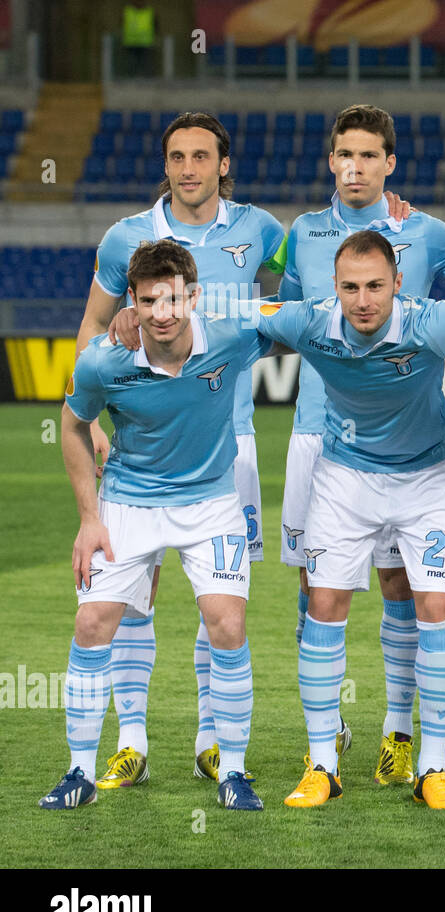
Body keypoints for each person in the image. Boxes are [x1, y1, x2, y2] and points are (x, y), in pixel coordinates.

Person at [241, 231, 445, 810]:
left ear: (398, 284)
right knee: (324, 606)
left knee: (436, 609)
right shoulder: (309, 320)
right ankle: (322, 766)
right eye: (350, 287)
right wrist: (152, 312)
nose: (363, 300)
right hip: (344, 479)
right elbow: (235, 314)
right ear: (335, 287)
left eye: (376, 285)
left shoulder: (430, 320)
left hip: (428, 481)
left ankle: (433, 767)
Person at [77, 111, 284, 789]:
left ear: (224, 164)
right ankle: (131, 740)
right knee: (134, 595)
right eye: (176, 156)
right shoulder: (126, 238)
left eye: (201, 156)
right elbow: (93, 325)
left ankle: (210, 739)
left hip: (231, 446)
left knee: (218, 601)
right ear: (164, 164)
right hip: (140, 446)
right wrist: (98, 418)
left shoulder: (262, 232)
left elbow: (307, 281)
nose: (188, 168)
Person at [42, 239, 278, 812]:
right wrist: (88, 519)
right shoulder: (103, 359)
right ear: (134, 301)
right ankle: (79, 771)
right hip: (128, 502)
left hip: (212, 503)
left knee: (226, 624)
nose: (163, 313)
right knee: (93, 621)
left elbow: (302, 314)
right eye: (149, 302)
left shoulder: (232, 335)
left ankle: (235, 772)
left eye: (173, 299)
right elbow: (72, 426)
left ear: (193, 296)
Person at [271, 104, 445, 788]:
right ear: (331, 161)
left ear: (389, 162)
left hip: (407, 445)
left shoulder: (428, 234)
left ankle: (401, 729)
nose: (354, 167)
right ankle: (326, 735)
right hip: (316, 435)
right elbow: (290, 319)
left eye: (368, 155)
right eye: (343, 155)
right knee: (314, 586)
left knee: (400, 585)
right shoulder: (304, 232)